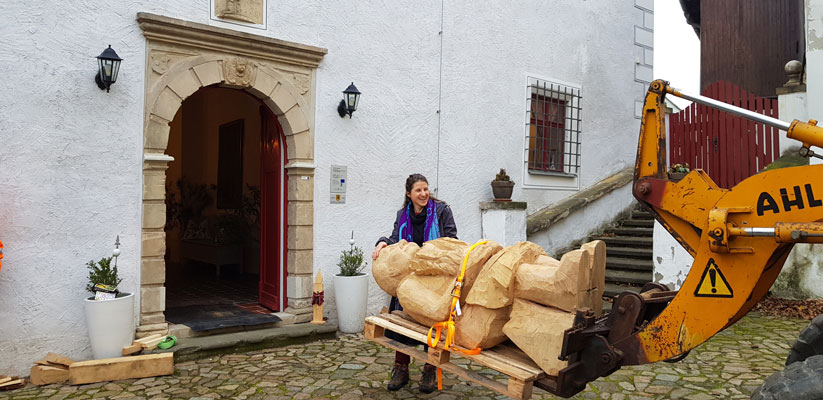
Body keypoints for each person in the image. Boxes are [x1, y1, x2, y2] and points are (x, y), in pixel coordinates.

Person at [373, 173, 458, 393]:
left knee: (431, 325)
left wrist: (428, 253)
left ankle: (430, 369)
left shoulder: (442, 211)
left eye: (426, 189)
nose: (423, 194)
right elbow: (394, 239)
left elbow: (452, 240)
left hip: (434, 279)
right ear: (409, 193)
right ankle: (401, 368)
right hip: (408, 280)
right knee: (402, 324)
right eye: (418, 190)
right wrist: (382, 243)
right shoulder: (403, 214)